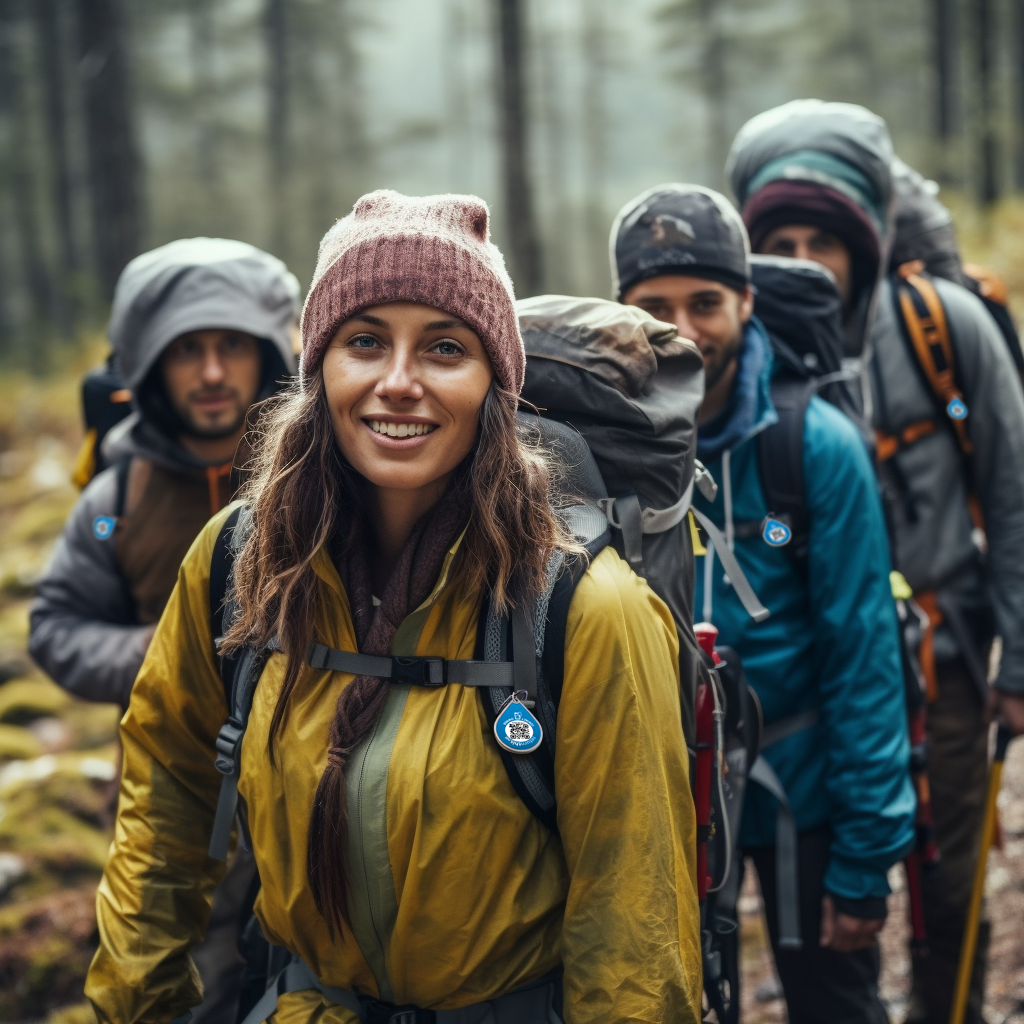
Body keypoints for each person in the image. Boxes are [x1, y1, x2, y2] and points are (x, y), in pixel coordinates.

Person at [84, 190, 703, 1024]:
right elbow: (165, 802)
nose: (399, 383)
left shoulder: (584, 609)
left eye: (445, 348)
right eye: (365, 341)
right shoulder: (241, 560)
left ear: (495, 383)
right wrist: (135, 1005)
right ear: (319, 367)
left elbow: (634, 930)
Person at [729, 99, 1024, 1024]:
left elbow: (1014, 491)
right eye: (782, 238)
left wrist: (1018, 658)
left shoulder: (945, 328)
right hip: (815, 678)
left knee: (945, 885)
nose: (807, 261)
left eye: (827, 239)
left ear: (865, 240)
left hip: (943, 653)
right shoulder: (739, 357)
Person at [612, 182, 915, 1024]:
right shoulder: (602, 456)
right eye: (655, 305)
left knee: (835, 1002)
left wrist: (864, 860)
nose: (685, 327)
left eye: (706, 301)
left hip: (806, 790)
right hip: (660, 795)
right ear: (620, 311)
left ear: (747, 299)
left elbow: (864, 657)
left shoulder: (815, 446)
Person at [29, 237, 300, 1024]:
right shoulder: (117, 495)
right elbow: (54, 626)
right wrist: (161, 651)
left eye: (230, 347)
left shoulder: (318, 475)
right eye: (188, 350)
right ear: (149, 362)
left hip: (319, 787)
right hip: (178, 799)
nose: (212, 373)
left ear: (266, 356)